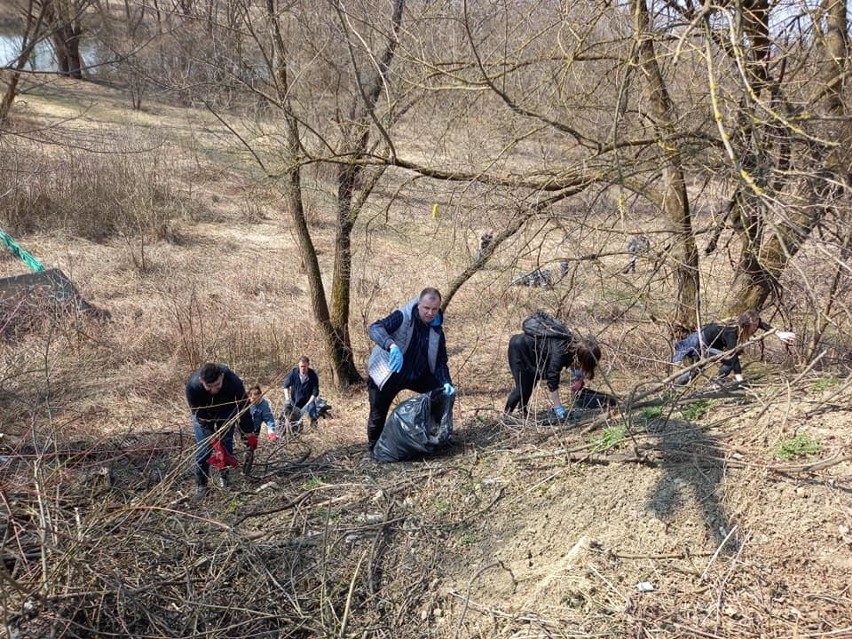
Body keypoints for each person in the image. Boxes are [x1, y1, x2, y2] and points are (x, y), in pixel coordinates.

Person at [366, 287, 455, 451]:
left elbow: (441, 361)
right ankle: (374, 448)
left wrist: (446, 382)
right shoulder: (403, 316)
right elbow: (375, 328)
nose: (430, 313)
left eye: (434, 309)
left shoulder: (436, 330)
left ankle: (436, 436)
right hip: (390, 371)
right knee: (377, 414)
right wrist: (390, 345)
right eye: (426, 308)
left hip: (417, 373)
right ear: (418, 304)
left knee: (442, 393)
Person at [186, 362, 257, 498]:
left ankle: (224, 478)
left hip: (226, 413)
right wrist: (212, 439)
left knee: (226, 446)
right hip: (204, 417)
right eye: (209, 387)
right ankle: (202, 485)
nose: (214, 390)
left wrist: (248, 431)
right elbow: (199, 416)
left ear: (222, 377)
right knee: (204, 449)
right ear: (202, 381)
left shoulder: (233, 381)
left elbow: (243, 405)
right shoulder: (192, 387)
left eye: (217, 385)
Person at [504, 323, 602, 419]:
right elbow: (552, 379)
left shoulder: (576, 347)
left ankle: (523, 411)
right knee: (523, 387)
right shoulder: (561, 352)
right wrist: (557, 406)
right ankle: (506, 416)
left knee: (531, 382)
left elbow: (575, 362)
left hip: (532, 352)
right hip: (519, 348)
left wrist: (579, 378)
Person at [672, 309, 796, 385]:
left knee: (696, 369)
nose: (755, 329)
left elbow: (762, 324)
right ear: (746, 325)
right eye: (753, 326)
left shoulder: (744, 324)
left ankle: (676, 387)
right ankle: (716, 383)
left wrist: (779, 333)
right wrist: (739, 379)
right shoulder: (731, 332)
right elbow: (733, 356)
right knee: (729, 360)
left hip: (705, 343)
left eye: (756, 325)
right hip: (699, 345)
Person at [282, 356, 320, 427]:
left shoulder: (313, 375)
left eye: (305, 366)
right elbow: (285, 386)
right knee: (289, 416)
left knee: (313, 414)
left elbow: (315, 392)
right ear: (299, 366)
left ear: (308, 365)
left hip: (308, 401)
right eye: (301, 366)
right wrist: (287, 400)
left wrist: (306, 406)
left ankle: (314, 430)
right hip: (295, 401)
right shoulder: (293, 373)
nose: (303, 368)